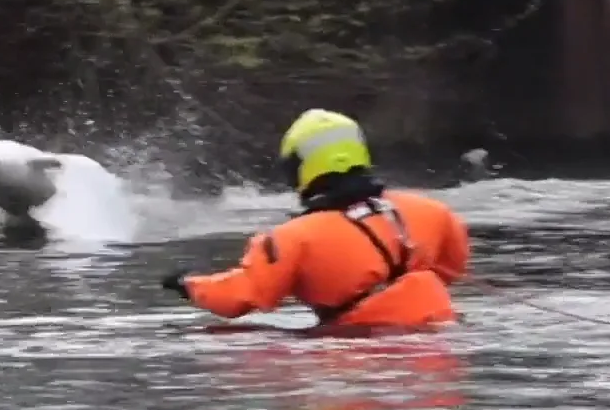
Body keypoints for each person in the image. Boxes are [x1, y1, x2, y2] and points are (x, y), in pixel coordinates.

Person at [161, 109, 471, 330]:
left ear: (299, 167)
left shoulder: (290, 239)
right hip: (441, 340)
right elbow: (451, 270)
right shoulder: (433, 212)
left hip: (357, 353)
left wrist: (188, 284)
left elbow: (241, 296)